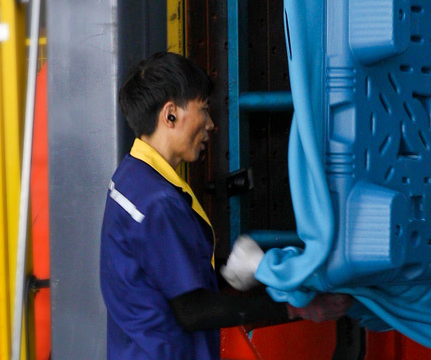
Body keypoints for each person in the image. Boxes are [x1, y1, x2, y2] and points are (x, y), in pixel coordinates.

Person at [100, 52, 351, 360]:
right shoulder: (158, 203)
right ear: (170, 115)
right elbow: (192, 311)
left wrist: (226, 274)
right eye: (203, 109)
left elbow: (158, 276)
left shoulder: (131, 177)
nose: (211, 124)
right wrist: (294, 307)